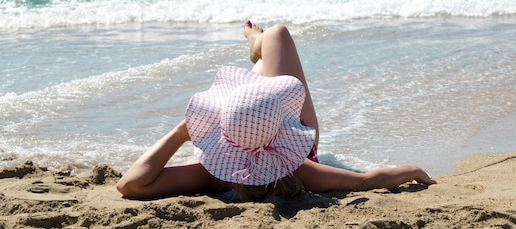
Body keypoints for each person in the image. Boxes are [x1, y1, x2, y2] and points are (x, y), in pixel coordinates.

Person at [116, 21, 436, 200]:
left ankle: (259, 54)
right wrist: (412, 170)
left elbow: (130, 185)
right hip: (289, 132)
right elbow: (365, 180)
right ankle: (259, 47)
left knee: (270, 51)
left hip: (257, 128)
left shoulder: (212, 173)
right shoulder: (301, 169)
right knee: (277, 33)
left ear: (223, 138)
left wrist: (179, 134)